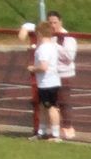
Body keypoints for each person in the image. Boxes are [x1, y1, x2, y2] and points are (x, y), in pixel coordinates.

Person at [27, 21, 65, 141]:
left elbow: (43, 67)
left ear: (39, 34)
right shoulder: (52, 47)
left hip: (48, 82)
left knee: (51, 107)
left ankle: (55, 135)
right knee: (43, 107)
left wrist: (33, 68)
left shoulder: (43, 49)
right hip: (49, 81)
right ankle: (42, 132)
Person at [43, 11, 78, 141]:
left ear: (60, 22)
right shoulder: (49, 37)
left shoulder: (68, 38)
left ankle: (68, 127)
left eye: (55, 22)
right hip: (51, 74)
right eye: (50, 23)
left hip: (64, 74)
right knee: (51, 103)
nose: (52, 25)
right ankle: (53, 129)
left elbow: (69, 57)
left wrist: (55, 46)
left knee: (64, 102)